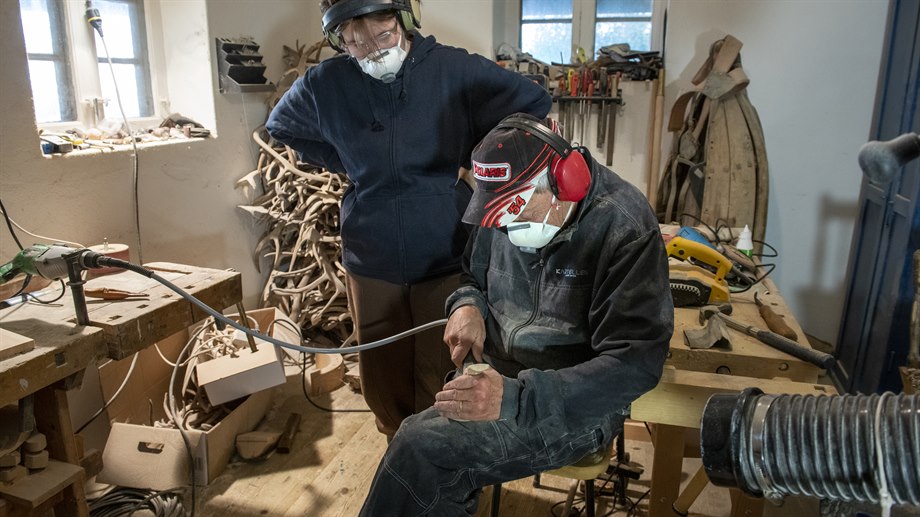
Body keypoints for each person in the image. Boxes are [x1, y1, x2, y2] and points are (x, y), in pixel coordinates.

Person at [359, 113, 674, 515]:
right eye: (499, 218)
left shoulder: (624, 227)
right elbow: (471, 273)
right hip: (502, 377)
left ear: (566, 181)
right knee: (421, 448)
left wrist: (515, 398)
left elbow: (637, 364)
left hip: (575, 406)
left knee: (421, 451)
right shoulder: (502, 211)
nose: (507, 228)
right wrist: (467, 304)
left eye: (517, 211)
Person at [265, 0, 551, 439]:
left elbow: (532, 98)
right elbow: (281, 124)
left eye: (381, 37)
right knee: (382, 374)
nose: (372, 52)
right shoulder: (327, 82)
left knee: (444, 372)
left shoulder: (452, 68)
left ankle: (445, 464)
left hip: (444, 249)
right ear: (340, 42)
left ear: (403, 23)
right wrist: (347, 160)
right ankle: (399, 458)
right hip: (371, 256)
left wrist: (474, 152)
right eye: (355, 44)